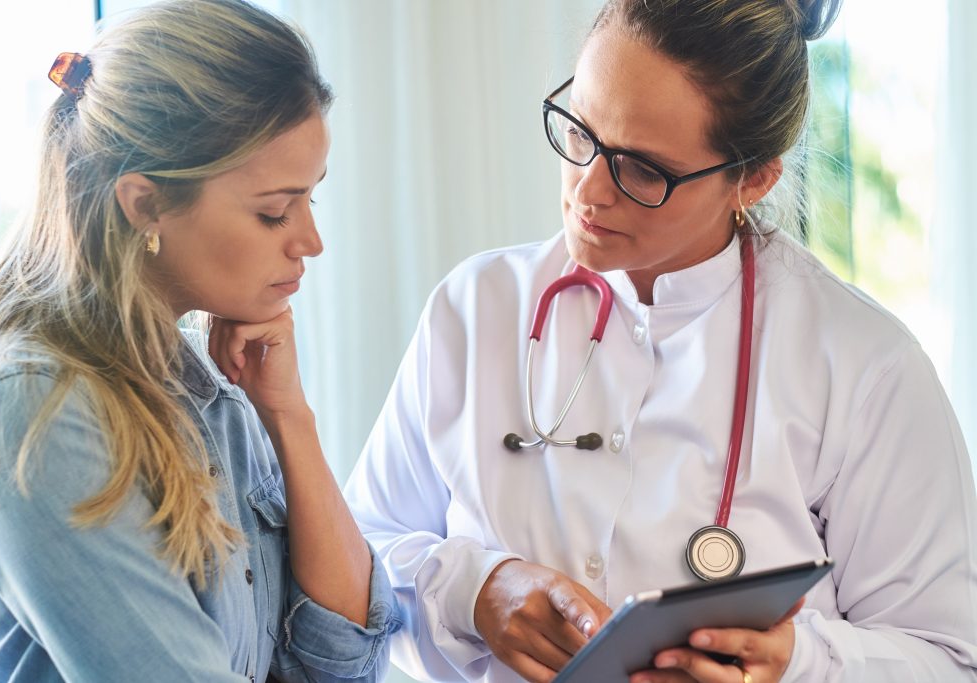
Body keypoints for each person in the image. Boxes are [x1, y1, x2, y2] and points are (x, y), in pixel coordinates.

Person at [343, 0, 977, 681]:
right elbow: (351, 567)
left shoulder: (864, 366)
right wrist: (473, 588)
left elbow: (946, 657)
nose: (588, 189)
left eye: (642, 169)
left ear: (754, 176)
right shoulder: (473, 310)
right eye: (580, 131)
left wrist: (796, 664)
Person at [0, 1, 398, 681]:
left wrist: (288, 417)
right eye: (274, 211)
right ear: (145, 204)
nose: (311, 241)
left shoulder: (213, 388)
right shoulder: (35, 412)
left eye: (311, 200)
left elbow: (341, 662)